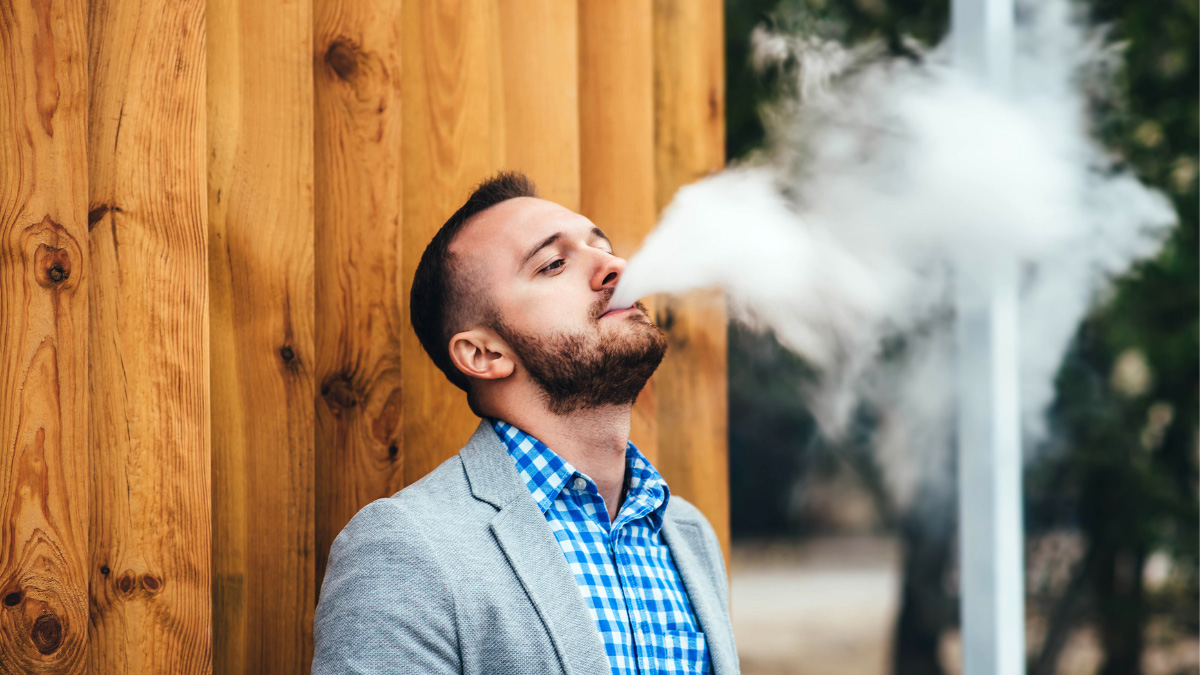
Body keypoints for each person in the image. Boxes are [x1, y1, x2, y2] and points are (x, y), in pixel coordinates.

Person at [312, 171, 739, 675]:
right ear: (484, 352)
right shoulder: (402, 549)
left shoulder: (687, 533)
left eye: (603, 248)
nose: (616, 267)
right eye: (554, 264)